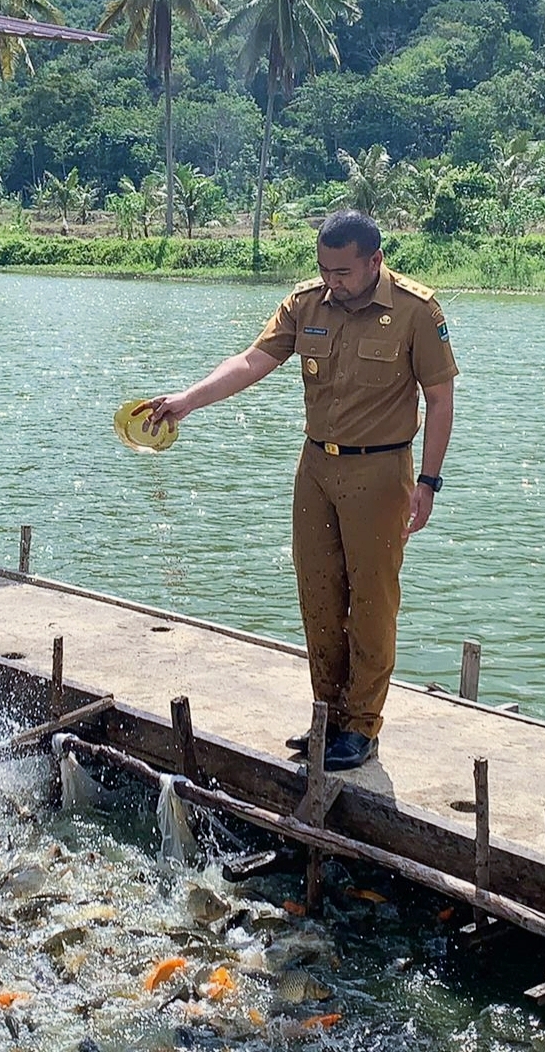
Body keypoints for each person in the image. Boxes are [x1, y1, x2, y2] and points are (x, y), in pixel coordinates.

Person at [142, 210, 457, 771]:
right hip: (316, 466)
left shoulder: (415, 311)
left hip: (381, 471)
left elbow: (439, 400)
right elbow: (250, 361)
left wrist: (429, 481)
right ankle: (329, 716)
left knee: (372, 602)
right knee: (317, 593)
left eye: (344, 271)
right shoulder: (306, 303)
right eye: (324, 269)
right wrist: (188, 400)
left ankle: (361, 727)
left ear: (374, 261)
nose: (332, 281)